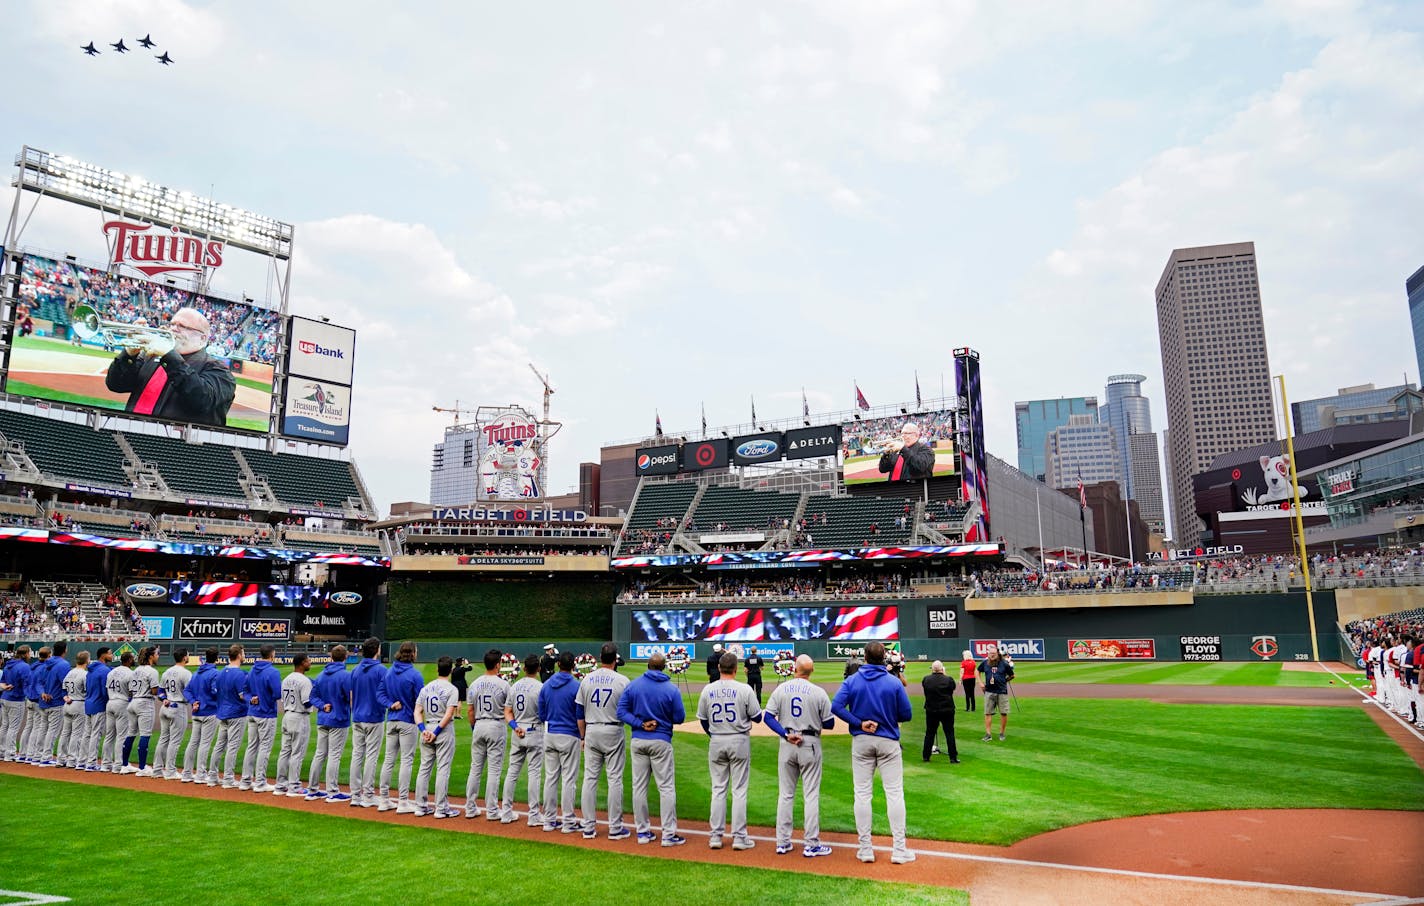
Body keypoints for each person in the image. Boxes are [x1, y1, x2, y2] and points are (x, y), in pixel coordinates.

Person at [832, 640, 915, 864]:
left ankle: (865, 848)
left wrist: (859, 722)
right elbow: (906, 714)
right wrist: (887, 716)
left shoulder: (852, 680)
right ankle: (899, 850)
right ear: (884, 659)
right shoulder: (893, 682)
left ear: (865, 658)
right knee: (895, 793)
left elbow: (836, 707)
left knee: (862, 794)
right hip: (888, 740)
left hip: (862, 741)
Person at [104, 306, 237, 426]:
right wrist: (129, 355)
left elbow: (202, 400)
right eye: (172, 324)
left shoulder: (220, 371)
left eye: (182, 326)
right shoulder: (151, 357)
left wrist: (169, 355)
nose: (173, 329)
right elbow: (115, 385)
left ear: (202, 338)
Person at [762, 654, 835, 857]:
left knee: (786, 794)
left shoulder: (781, 688)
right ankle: (811, 844)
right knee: (811, 794)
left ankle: (783, 842)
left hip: (787, 743)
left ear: (795, 668)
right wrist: (813, 719)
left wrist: (785, 734)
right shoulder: (818, 692)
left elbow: (767, 717)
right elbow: (829, 723)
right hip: (809, 744)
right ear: (811, 671)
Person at [617, 651, 686, 847]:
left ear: (648, 665)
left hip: (639, 739)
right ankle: (668, 834)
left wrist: (640, 723)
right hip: (661, 740)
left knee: (639, 787)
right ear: (664, 667)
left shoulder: (634, 685)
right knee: (666, 788)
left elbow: (621, 711)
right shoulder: (671, 689)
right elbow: (679, 718)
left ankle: (643, 832)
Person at [696, 650, 762, 851]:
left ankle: (715, 836)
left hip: (717, 740)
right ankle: (740, 838)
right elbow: (758, 717)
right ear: (735, 669)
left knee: (718, 789)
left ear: (718, 668)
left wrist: (714, 734)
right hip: (739, 740)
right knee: (739, 790)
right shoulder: (744, 689)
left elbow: (703, 719)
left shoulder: (708, 690)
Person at [576, 642, 631, 841]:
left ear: (600, 658)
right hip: (613, 730)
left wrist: (582, 737)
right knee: (614, 779)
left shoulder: (587, 679)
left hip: (591, 730)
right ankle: (615, 828)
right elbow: (628, 710)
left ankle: (588, 828)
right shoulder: (623, 680)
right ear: (615, 659)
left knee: (590, 779)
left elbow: (579, 713)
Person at [537, 650, 581, 833]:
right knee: (569, 779)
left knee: (551, 778)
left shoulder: (546, 685)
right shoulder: (577, 686)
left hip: (551, 733)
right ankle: (568, 821)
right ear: (573, 666)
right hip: (569, 734)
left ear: (557, 664)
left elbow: (542, 714)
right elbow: (580, 714)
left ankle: (548, 820)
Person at [377, 641, 423, 812]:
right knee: (406, 760)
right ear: (412, 653)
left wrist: (390, 704)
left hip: (392, 720)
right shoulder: (414, 675)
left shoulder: (389, 673)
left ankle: (384, 799)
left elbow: (379, 694)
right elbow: (420, 700)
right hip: (408, 721)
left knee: (389, 760)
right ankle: (403, 801)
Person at [500, 653, 544, 826]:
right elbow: (544, 713)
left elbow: (507, 712)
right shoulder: (541, 687)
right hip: (535, 730)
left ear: (524, 668)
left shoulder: (514, 686)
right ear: (538, 669)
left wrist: (515, 727)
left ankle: (506, 813)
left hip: (517, 731)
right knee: (534, 773)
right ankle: (533, 815)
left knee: (512, 772)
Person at [414, 656, 461, 819]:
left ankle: (420, 806)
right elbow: (449, 714)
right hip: (443, 730)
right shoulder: (452, 689)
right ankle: (441, 808)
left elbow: (417, 711)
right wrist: (437, 732)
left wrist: (423, 730)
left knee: (424, 768)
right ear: (451, 670)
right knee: (443, 769)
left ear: (437, 669)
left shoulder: (426, 688)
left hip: (427, 727)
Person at [465, 648, 509, 820]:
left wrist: (474, 727)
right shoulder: (504, 684)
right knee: (494, 770)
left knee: (475, 769)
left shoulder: (475, 683)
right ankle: (491, 810)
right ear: (498, 665)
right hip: (495, 726)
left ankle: (470, 808)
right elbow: (508, 710)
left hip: (479, 725)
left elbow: (470, 710)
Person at [306, 645, 354, 802]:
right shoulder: (346, 676)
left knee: (320, 753)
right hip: (338, 719)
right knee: (334, 755)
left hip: (323, 719)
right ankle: (332, 791)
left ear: (331, 657)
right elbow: (350, 698)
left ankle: (312, 789)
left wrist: (322, 705)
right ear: (345, 657)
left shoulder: (321, 675)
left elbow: (312, 697)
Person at [348, 637, 386, 808]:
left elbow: (350, 695)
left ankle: (355, 795)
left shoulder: (355, 670)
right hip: (373, 717)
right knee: (371, 756)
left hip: (357, 716)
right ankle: (368, 794)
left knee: (357, 755)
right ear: (377, 650)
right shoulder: (381, 670)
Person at [238, 644, 281, 792]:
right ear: (272, 654)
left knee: (251, 746)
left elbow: (244, 692)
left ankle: (245, 780)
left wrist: (251, 699)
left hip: (252, 712)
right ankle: (260, 782)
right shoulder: (273, 672)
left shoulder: (251, 670)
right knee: (264, 747)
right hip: (266, 713)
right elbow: (277, 694)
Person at [274, 653, 315, 798]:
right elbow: (306, 701)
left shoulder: (286, 679)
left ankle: (280, 785)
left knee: (285, 751)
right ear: (302, 663)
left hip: (287, 716)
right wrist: (318, 701)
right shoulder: (304, 681)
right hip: (299, 717)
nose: (310, 663)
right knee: (297, 753)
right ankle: (294, 786)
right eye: (308, 660)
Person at [181, 648, 220, 784]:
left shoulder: (196, 673)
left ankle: (186, 773)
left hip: (197, 712)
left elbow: (186, 690)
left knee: (193, 742)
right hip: (210, 712)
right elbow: (215, 692)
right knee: (205, 743)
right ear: (217, 658)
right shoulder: (215, 673)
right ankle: (200, 774)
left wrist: (193, 702)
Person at [212, 645, 248, 788]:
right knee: (232, 747)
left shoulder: (220, 673)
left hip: (222, 713)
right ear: (239, 655)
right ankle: (228, 779)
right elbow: (242, 695)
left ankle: (212, 777)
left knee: (219, 746)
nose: (244, 655)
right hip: (236, 713)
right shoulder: (239, 674)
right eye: (243, 653)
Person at [156, 648, 192, 780]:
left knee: (163, 738)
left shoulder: (167, 671)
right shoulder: (186, 673)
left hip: (165, 707)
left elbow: (160, 691)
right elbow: (190, 692)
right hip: (178, 707)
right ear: (184, 658)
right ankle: (170, 771)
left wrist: (163, 698)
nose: (188, 657)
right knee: (175, 741)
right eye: (188, 655)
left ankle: (157, 769)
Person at [126, 645, 161, 776]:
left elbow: (130, 690)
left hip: (133, 701)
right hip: (145, 702)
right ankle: (142, 768)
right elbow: (154, 691)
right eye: (156, 654)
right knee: (145, 734)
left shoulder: (135, 670)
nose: (158, 656)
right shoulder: (152, 671)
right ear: (151, 656)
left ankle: (124, 765)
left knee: (130, 733)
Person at [37, 640, 71, 766]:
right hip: (56, 702)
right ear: (65, 650)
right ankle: (46, 757)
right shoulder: (63, 664)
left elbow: (39, 682)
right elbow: (65, 683)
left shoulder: (45, 663)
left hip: (43, 701)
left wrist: (42, 693)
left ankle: (39, 755)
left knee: (43, 729)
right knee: (53, 730)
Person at [102, 650, 135, 774]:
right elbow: (132, 692)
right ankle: (118, 765)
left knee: (109, 735)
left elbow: (106, 688)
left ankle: (105, 764)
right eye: (132, 658)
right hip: (122, 703)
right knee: (122, 735)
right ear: (129, 660)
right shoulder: (131, 673)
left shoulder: (112, 672)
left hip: (110, 702)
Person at [921, 660, 959, 764]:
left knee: (929, 733)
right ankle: (953, 757)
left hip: (931, 710)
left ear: (932, 669)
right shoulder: (948, 679)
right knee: (949, 733)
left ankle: (926, 756)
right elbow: (952, 688)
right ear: (942, 669)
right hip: (947, 710)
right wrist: (944, 674)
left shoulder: (926, 679)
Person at [0, 646, 33, 761]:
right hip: (16, 699)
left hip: (4, 697)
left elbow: (2, 682)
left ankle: (2, 751)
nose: (30, 655)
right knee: (13, 728)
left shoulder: (8, 664)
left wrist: (5, 687)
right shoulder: (24, 666)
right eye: (29, 653)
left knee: (5, 726)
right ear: (25, 654)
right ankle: (10, 754)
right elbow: (27, 684)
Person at [81, 648, 111, 772]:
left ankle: (82, 761)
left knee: (87, 734)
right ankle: (91, 762)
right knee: (95, 735)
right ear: (103, 656)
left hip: (88, 703)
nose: (112, 655)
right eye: (109, 653)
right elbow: (105, 691)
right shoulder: (104, 670)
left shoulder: (90, 670)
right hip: (99, 704)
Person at [58, 651, 89, 769]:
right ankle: (72, 760)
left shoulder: (69, 673)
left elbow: (63, 690)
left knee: (65, 733)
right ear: (87, 660)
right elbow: (87, 691)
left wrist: (65, 697)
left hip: (67, 704)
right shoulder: (84, 674)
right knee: (76, 733)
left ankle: (60, 759)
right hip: (79, 704)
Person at [979, 645, 1015, 742]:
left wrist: (1004, 680)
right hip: (989, 691)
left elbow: (1012, 675)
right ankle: (988, 734)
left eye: (994, 654)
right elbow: (977, 671)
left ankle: (1002, 733)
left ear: (997, 653)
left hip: (1002, 691)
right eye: (990, 654)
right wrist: (980, 683)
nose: (992, 656)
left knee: (1003, 712)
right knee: (987, 713)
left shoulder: (1004, 663)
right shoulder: (985, 663)